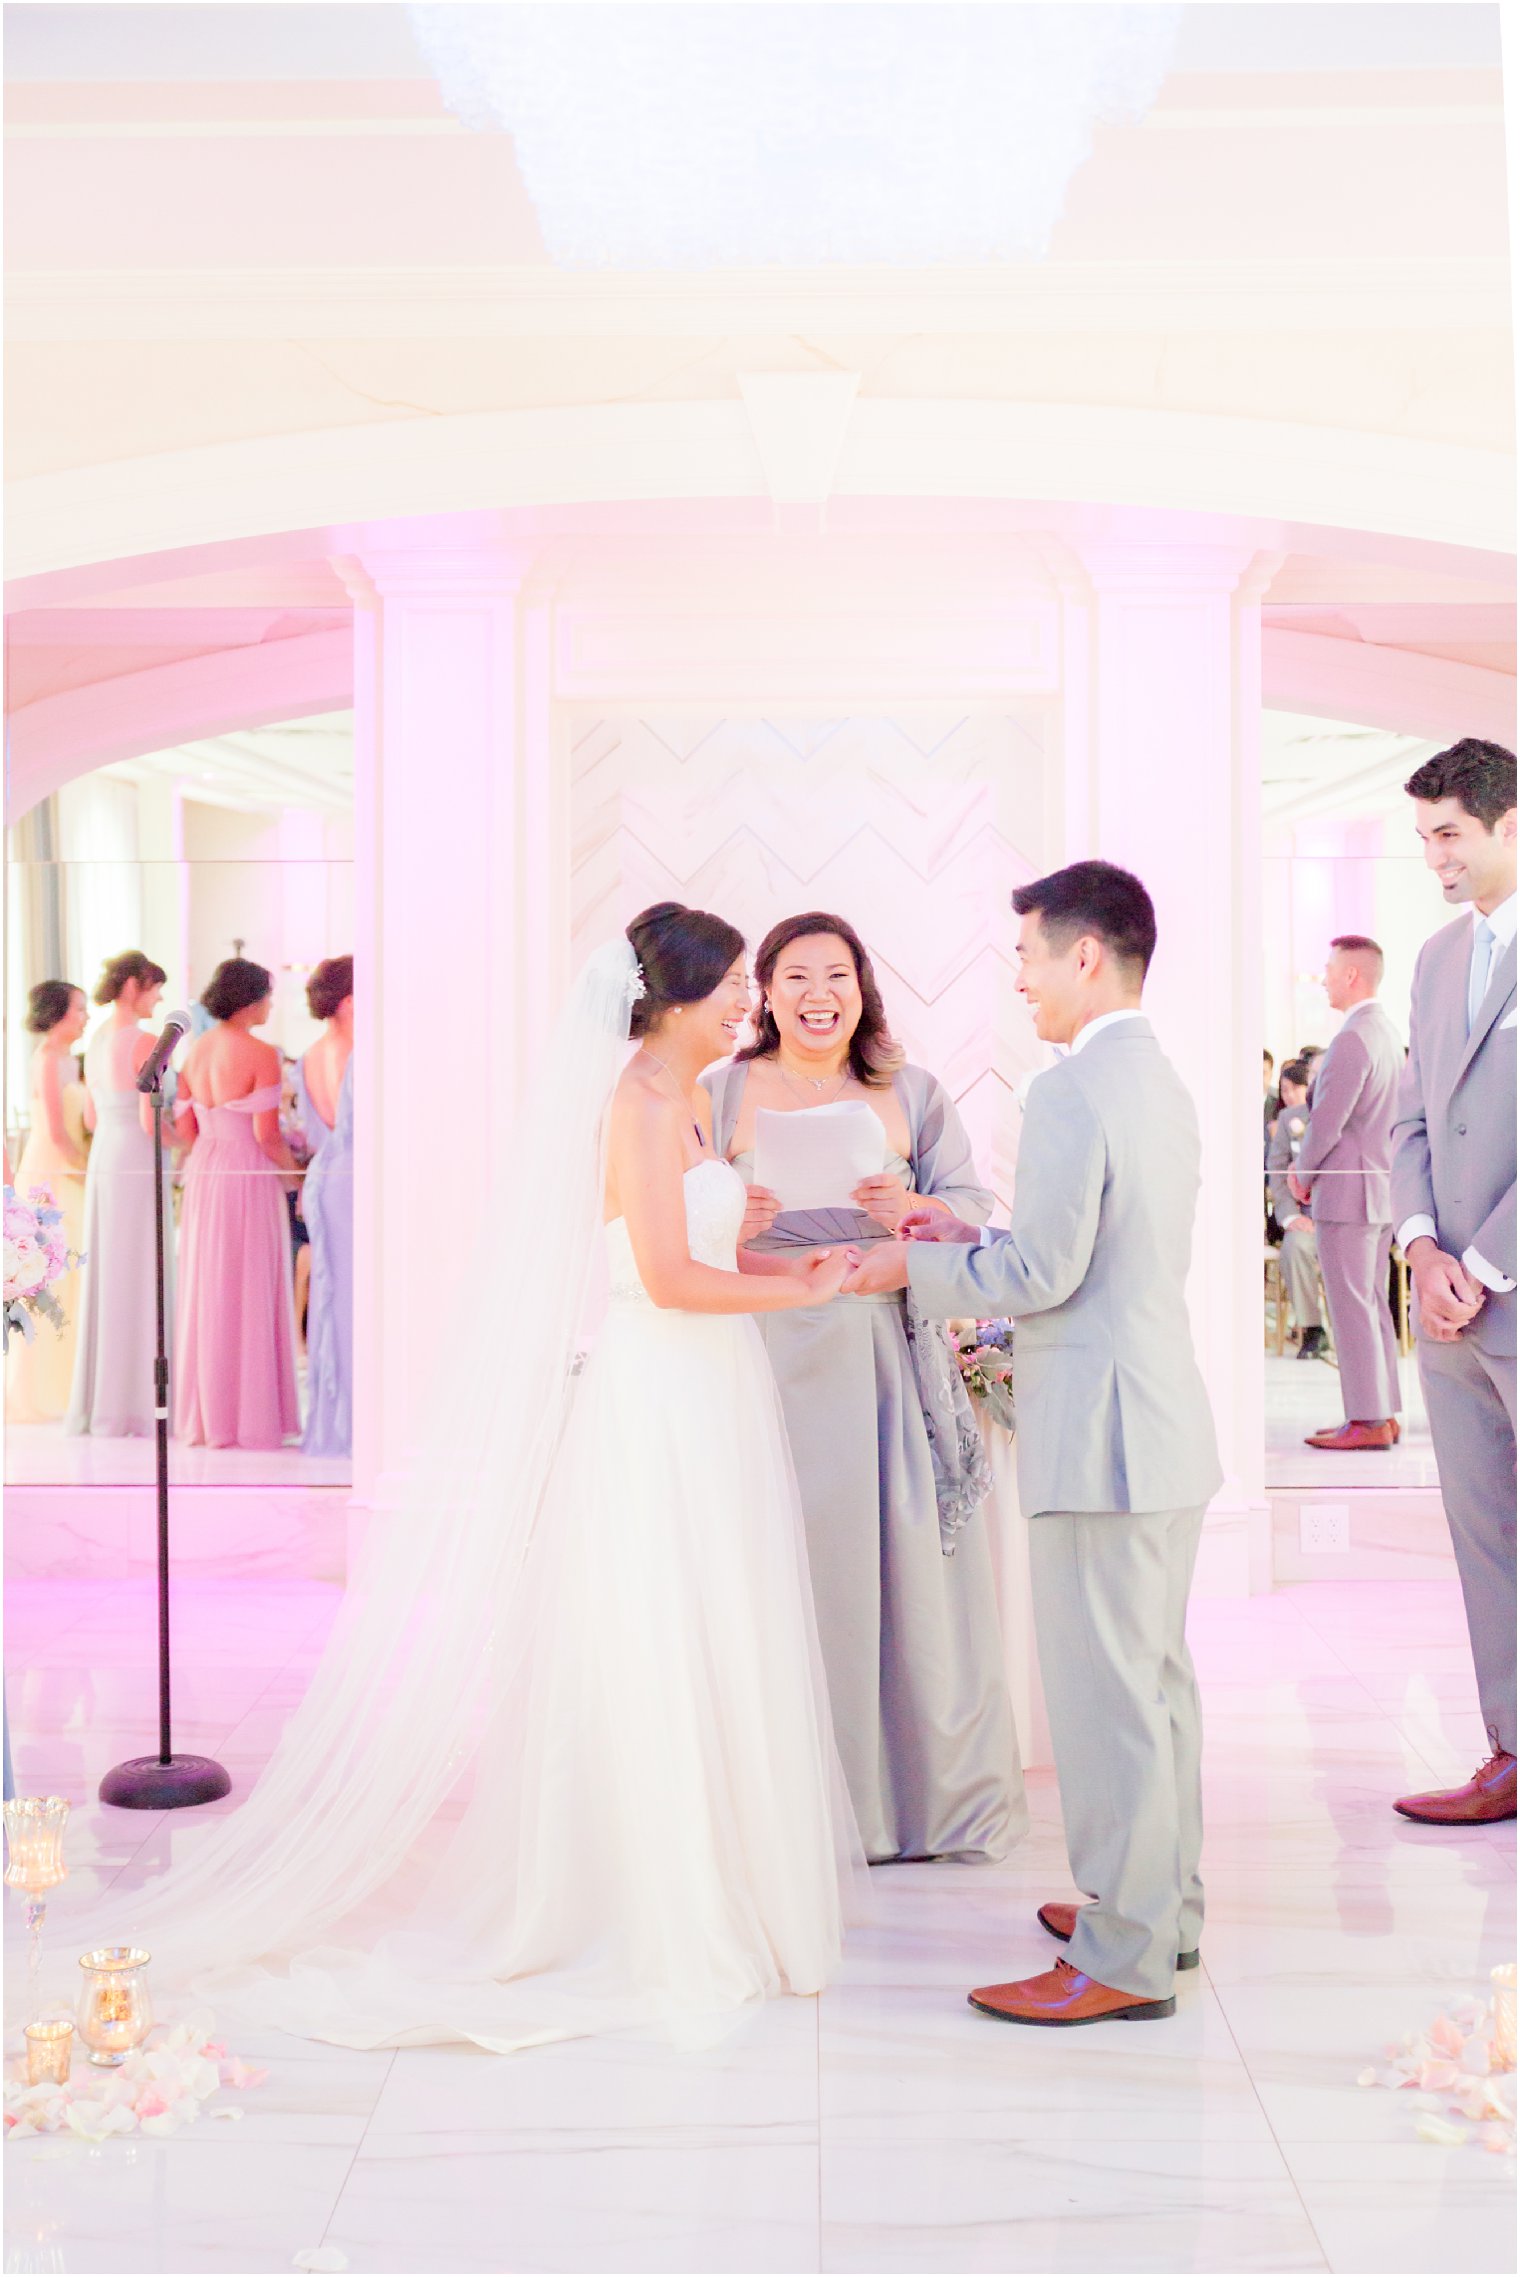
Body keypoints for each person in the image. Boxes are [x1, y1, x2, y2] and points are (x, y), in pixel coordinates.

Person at [89, 906, 865, 2052]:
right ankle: (656, 1904)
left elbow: (701, 1256)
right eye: (738, 987)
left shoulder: (693, 1101)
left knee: (716, 1629)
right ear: (680, 998)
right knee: (654, 1638)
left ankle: (731, 1889)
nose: (751, 1005)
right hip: (658, 1398)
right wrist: (800, 1291)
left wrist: (770, 1241)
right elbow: (660, 1282)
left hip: (714, 1399)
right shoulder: (638, 1104)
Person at [844, 860, 1221, 2026]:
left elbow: (1044, 1276)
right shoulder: (1155, 1078)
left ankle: (1118, 1957)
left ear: (1084, 955)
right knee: (1154, 1689)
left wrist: (908, 1265)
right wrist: (960, 1230)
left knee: (1109, 1703)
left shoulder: (1066, 1092)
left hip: (1099, 1437)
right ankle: (1163, 1914)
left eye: (1024, 956)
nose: (1017, 981)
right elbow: (1081, 1249)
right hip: (1159, 1422)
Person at [704, 912, 1023, 1864]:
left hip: (883, 1358)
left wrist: (911, 1210)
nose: (817, 993)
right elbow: (665, 1216)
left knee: (894, 1566)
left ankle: (904, 1802)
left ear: (861, 986)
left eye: (835, 973)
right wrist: (733, 1207)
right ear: (765, 991)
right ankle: (781, 1803)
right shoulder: (718, 1094)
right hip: (757, 1350)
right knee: (784, 1561)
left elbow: (971, 1211)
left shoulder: (910, 1091)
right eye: (794, 975)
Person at [1387, 738, 1516, 1826]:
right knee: (1482, 1537)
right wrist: (1422, 1247)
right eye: (1422, 836)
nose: (1432, 856)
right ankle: (1509, 1750)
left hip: (1502, 1286)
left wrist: (1479, 1265)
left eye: (1448, 835)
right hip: (1446, 1309)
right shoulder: (1431, 960)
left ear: (1507, 822)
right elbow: (1411, 1119)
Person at [174, 958, 301, 1449]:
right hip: (246, 1174)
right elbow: (267, 1135)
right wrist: (297, 1179)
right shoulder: (261, 1053)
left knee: (210, 1288)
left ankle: (210, 1418)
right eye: (268, 996)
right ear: (250, 1001)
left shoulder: (194, 1052)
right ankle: (250, 1416)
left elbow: (186, 1132)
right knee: (248, 1285)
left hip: (206, 1170)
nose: (271, 1005)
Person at [1291, 937, 1403, 1447]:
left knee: (1352, 1305)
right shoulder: (1384, 1031)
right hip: (1379, 1189)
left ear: (1353, 975)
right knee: (1372, 1303)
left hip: (1348, 1191)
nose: (1325, 979)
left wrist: (1302, 1173)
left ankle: (1367, 1419)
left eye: (1330, 969)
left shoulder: (1354, 1037)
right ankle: (1383, 1411)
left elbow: (1327, 1121)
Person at [67, 952, 172, 1437]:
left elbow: (90, 1119)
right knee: (139, 1269)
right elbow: (154, 1121)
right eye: (154, 988)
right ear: (134, 985)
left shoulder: (97, 1039)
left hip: (105, 1154)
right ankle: (135, 1401)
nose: (159, 998)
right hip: (134, 1156)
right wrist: (189, 1142)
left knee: (112, 1271)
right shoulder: (146, 1041)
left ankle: (105, 1399)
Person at [5, 980, 89, 1425]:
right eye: (79, 1009)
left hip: (69, 1171)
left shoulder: (70, 1062)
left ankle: (68, 1383)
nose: (86, 1017)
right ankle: (41, 1392)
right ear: (58, 1013)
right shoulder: (47, 1061)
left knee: (72, 1281)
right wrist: (89, 1172)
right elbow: (56, 1134)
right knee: (52, 1280)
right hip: (53, 1175)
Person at [299, 956, 355, 1458]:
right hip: (354, 1181)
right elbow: (349, 1122)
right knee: (353, 1297)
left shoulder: (311, 1053)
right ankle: (356, 1419)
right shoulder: (353, 1051)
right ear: (351, 1001)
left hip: (324, 1178)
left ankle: (335, 1421)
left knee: (332, 1296)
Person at [1267, 1058, 1327, 1358]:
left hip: (1341, 1216)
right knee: (1295, 1248)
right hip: (1304, 1215)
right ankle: (1312, 1328)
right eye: (1285, 1089)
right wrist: (1290, 1217)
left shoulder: (1344, 1114)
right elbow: (1276, 1172)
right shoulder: (1290, 1119)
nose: (1290, 1095)